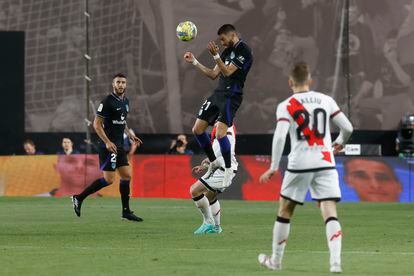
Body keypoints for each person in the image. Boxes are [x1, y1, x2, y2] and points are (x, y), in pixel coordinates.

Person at [258, 63, 353, 273]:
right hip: (325, 161)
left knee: (285, 211)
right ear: (310, 81)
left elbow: (280, 136)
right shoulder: (326, 100)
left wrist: (273, 166)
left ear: (290, 82)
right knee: (330, 212)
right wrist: (339, 141)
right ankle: (335, 263)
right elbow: (348, 127)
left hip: (299, 163)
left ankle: (276, 261)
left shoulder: (286, 105)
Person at [184, 24, 252, 188]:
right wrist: (194, 62)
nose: (221, 43)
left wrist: (215, 56)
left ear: (233, 35)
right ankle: (214, 162)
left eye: (223, 39)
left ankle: (228, 169)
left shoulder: (244, 50)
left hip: (232, 95)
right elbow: (214, 74)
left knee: (221, 134)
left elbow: (228, 72)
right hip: (218, 93)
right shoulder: (227, 52)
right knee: (197, 129)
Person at [71, 74, 144, 222]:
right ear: (113, 84)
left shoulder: (126, 102)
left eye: (123, 82)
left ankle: (126, 212)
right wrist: (107, 142)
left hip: (119, 145)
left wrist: (129, 134)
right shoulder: (107, 101)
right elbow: (96, 124)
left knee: (126, 176)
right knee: (109, 180)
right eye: (118, 82)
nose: (121, 85)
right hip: (108, 146)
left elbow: (122, 122)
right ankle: (78, 198)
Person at [189, 123, 237, 234]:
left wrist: (209, 161)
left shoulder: (225, 125)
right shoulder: (223, 125)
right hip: (223, 167)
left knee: (195, 190)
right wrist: (206, 164)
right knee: (210, 197)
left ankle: (208, 222)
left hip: (224, 168)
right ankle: (216, 228)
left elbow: (224, 148)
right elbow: (219, 149)